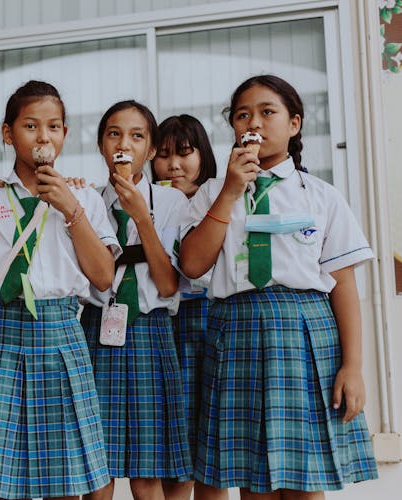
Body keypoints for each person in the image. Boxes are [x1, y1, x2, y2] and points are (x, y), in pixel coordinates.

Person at [179, 75, 379, 499]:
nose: (254, 122)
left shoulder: (322, 196)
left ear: (294, 124)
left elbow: (343, 285)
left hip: (305, 335)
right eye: (242, 115)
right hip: (235, 334)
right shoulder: (213, 192)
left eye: (268, 112)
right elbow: (194, 264)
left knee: (306, 478)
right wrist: (231, 191)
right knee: (253, 479)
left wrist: (353, 367)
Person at [0, 80, 117, 500]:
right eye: (30, 125)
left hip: (62, 334)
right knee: (8, 483)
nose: (44, 137)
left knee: (66, 482)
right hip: (2, 338)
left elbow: (102, 276)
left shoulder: (83, 196)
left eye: (54, 126)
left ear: (64, 133)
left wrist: (70, 208)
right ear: (8, 134)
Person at [80, 101, 192, 500]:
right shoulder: (84, 202)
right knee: (97, 470)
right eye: (114, 134)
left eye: (136, 136)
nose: (123, 144)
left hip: (150, 329)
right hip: (96, 327)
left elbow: (167, 285)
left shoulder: (173, 204)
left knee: (148, 473)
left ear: (151, 148)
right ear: (100, 145)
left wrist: (142, 217)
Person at [152, 115, 227, 500]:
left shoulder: (218, 195)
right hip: (164, 325)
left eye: (185, 153)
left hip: (210, 322)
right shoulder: (144, 199)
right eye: (163, 155)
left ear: (203, 155)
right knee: (174, 449)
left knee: (213, 453)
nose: (174, 165)